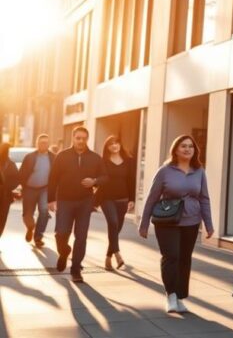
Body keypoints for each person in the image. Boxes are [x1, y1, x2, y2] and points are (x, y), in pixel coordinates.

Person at [139, 135, 214, 314]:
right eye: (183, 146)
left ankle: (180, 297)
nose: (187, 149)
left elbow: (204, 198)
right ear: (175, 149)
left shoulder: (199, 171)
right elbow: (152, 198)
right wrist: (143, 223)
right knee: (171, 256)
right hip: (168, 221)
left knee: (184, 259)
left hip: (192, 221)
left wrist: (208, 225)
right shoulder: (165, 171)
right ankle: (170, 295)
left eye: (190, 146)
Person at [48, 125, 107, 283]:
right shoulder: (62, 156)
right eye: (78, 138)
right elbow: (53, 178)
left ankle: (76, 269)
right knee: (61, 232)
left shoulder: (95, 157)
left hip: (85, 202)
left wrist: (94, 181)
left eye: (84, 138)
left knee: (81, 236)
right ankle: (64, 251)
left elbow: (105, 177)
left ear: (87, 139)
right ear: (73, 138)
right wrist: (51, 200)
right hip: (65, 201)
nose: (81, 141)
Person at [95, 135, 136, 271]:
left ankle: (108, 256)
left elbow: (131, 181)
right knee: (113, 223)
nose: (114, 145)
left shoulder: (129, 161)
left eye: (116, 143)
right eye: (111, 144)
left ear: (120, 145)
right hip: (106, 198)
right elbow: (99, 178)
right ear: (107, 147)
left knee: (116, 229)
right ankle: (117, 254)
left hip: (123, 199)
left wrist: (132, 199)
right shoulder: (103, 161)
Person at [19, 134, 54, 248]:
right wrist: (21, 188)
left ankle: (38, 237)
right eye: (41, 142)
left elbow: (58, 175)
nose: (43, 144)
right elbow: (22, 173)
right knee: (27, 214)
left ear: (48, 144)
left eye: (45, 142)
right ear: (37, 143)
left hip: (45, 188)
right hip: (29, 188)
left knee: (44, 211)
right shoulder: (29, 157)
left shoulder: (53, 157)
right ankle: (30, 228)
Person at [0, 144, 20, 240]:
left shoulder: (10, 164)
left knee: (2, 219)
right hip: (5, 195)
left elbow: (16, 179)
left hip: (5, 197)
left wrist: (6, 187)